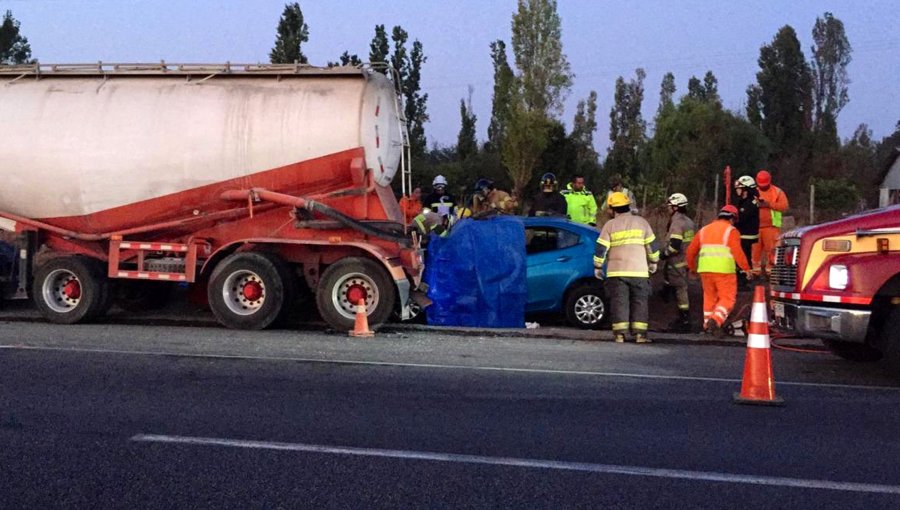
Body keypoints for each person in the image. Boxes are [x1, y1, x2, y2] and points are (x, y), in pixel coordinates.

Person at [593, 192, 660, 343]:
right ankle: (640, 335)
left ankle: (619, 335)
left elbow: (601, 248)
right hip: (639, 270)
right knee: (640, 302)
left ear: (613, 209)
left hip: (616, 272)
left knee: (619, 302)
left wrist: (598, 266)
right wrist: (654, 262)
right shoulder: (642, 223)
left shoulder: (610, 225)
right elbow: (653, 246)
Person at [685, 205, 752, 337]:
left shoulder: (704, 230)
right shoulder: (731, 231)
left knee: (710, 298)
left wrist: (692, 268)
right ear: (732, 218)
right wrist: (746, 269)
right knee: (727, 298)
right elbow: (738, 253)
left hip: (705, 271)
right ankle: (715, 321)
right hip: (724, 271)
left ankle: (707, 327)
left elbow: (690, 251)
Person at [659, 193, 696, 332]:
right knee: (679, 288)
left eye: (670, 206)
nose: (668, 209)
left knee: (681, 291)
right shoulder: (689, 221)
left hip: (677, 262)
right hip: (686, 261)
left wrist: (663, 255)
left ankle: (684, 320)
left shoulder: (677, 222)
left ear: (675, 207)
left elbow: (675, 245)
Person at [752, 170, 789, 277]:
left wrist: (769, 204)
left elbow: (784, 206)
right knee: (754, 252)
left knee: (772, 251)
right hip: (755, 227)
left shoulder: (777, 192)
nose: (763, 187)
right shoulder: (752, 192)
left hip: (771, 227)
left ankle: (771, 273)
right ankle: (755, 273)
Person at [733, 175, 760, 289]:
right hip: (745, 234)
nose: (737, 191)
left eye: (740, 188)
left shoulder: (749, 202)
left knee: (743, 257)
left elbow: (741, 218)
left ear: (746, 189)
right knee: (745, 256)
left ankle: (743, 281)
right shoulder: (747, 200)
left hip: (746, 234)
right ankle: (743, 279)